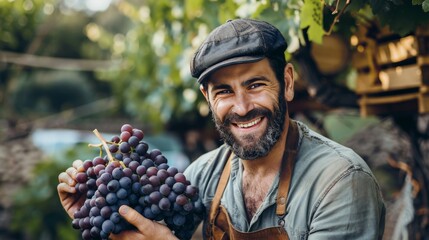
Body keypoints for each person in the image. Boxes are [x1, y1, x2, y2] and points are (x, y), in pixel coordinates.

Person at [57, 18, 385, 239]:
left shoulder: (341, 182)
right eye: (224, 92)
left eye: (255, 85)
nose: (241, 107)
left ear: (286, 82)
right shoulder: (203, 176)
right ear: (207, 98)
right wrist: (96, 208)